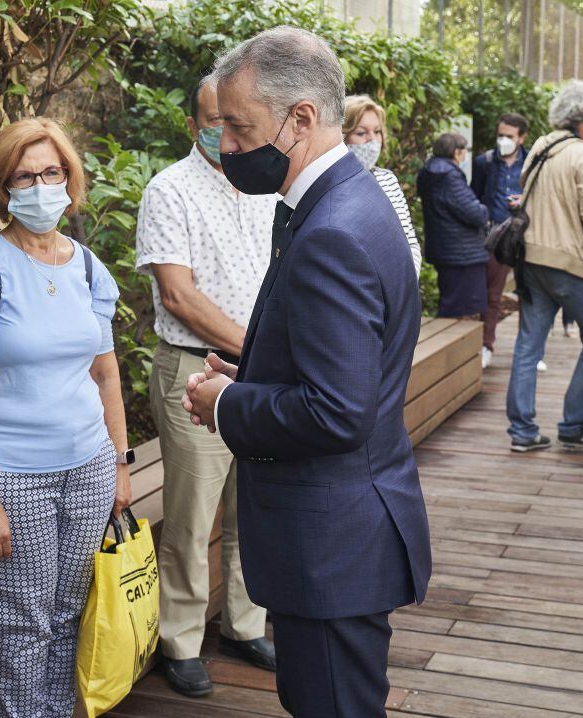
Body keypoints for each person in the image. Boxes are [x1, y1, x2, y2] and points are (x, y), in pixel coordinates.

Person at [182, 26, 431, 717]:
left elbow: (337, 411)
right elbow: (346, 361)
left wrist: (227, 403)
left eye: (237, 126)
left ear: (301, 119)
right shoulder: (349, 198)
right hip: (344, 536)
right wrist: (253, 368)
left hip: (332, 547)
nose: (226, 145)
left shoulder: (331, 233)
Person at [0, 118, 131, 718]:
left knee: (68, 611)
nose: (41, 186)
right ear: (3, 188)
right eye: (25, 176)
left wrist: (121, 466)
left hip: (89, 468)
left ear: (71, 180)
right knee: (26, 625)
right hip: (13, 480)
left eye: (53, 172)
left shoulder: (87, 266)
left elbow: (106, 374)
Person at [135, 77, 277, 697]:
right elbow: (178, 295)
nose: (228, 128)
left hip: (262, 377)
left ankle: (246, 625)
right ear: (195, 124)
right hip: (195, 369)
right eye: (216, 119)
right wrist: (263, 349)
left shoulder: (269, 185)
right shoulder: (170, 189)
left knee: (256, 507)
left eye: (237, 118)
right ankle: (181, 639)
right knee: (191, 520)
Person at [505, 80, 583, 453]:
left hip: (531, 259)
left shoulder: (541, 145)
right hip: (568, 263)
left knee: (527, 347)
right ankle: (573, 425)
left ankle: (522, 433)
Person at [471, 112, 531, 369]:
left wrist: (523, 201)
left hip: (526, 234)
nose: (503, 140)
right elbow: (475, 193)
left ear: (522, 138)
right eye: (501, 135)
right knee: (492, 294)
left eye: (509, 136)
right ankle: (487, 345)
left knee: (529, 293)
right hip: (495, 235)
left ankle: (529, 350)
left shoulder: (531, 163)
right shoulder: (484, 162)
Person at [342, 94, 422, 277]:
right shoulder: (328, 182)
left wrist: (405, 284)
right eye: (361, 133)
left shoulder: (387, 180)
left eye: (377, 132)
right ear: (341, 136)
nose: (373, 141)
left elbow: (408, 241)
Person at [417, 133, 491, 320]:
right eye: (464, 151)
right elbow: (474, 213)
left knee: (451, 303)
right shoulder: (449, 176)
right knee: (463, 310)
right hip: (462, 253)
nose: (466, 155)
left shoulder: (429, 172)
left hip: (445, 248)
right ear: (457, 152)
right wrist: (483, 209)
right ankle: (460, 349)